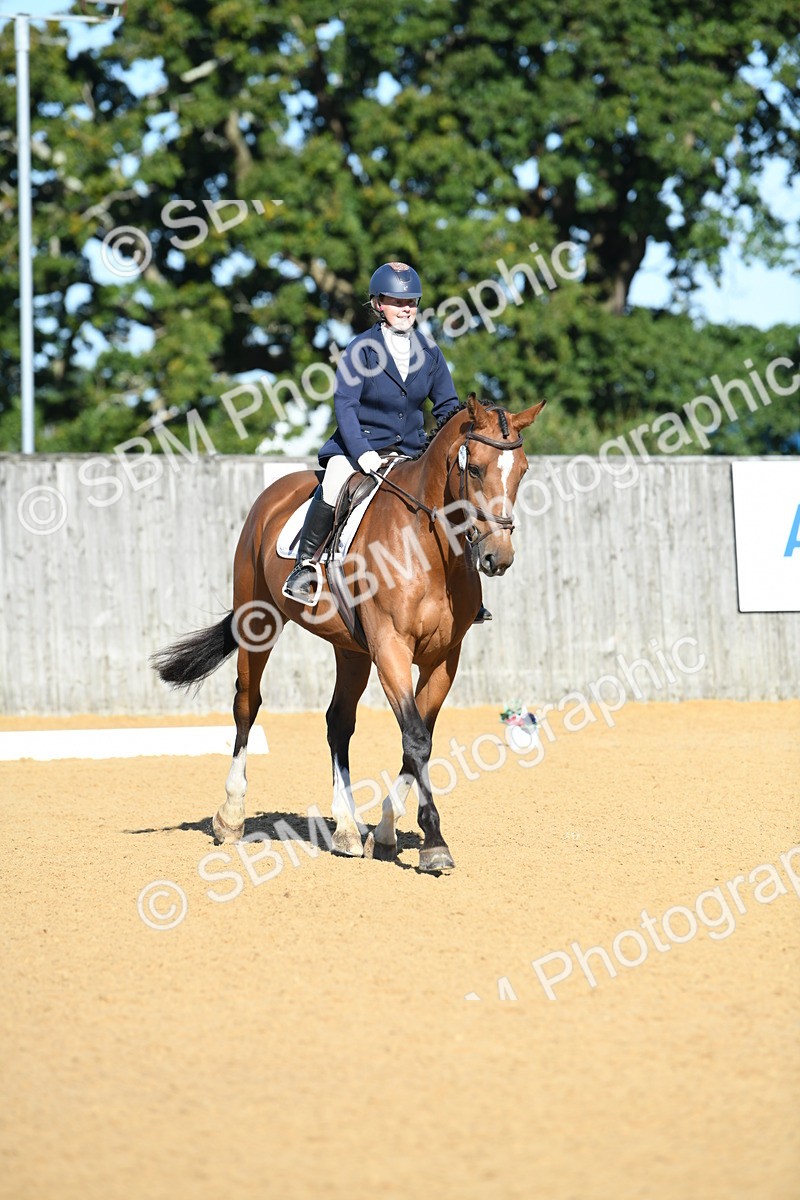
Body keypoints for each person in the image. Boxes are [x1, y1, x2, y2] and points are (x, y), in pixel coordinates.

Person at [282, 261, 492, 623]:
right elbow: (345, 406)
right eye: (396, 301)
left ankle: (465, 587)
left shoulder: (430, 353)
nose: (405, 307)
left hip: (410, 452)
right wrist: (362, 453)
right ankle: (305, 566)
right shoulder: (360, 349)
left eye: (411, 301)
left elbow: (446, 408)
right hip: (357, 450)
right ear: (378, 303)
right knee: (333, 483)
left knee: (453, 494)